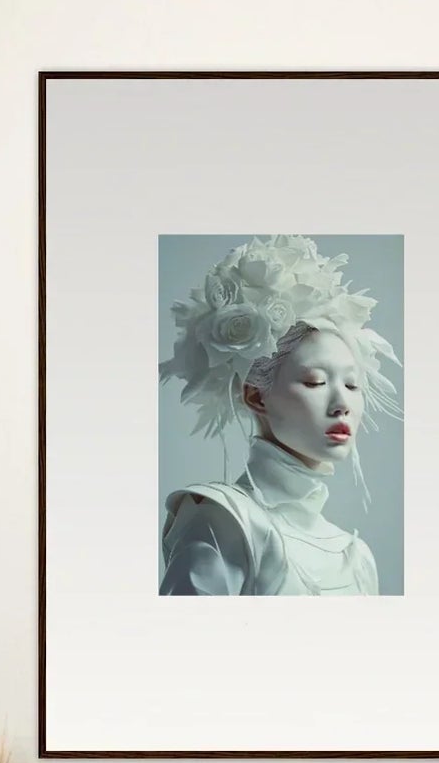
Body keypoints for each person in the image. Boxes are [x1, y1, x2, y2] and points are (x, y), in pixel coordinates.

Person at [158, 236, 401, 597]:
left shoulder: (357, 557)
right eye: (316, 381)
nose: (342, 404)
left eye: (353, 385)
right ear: (256, 395)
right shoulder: (224, 519)